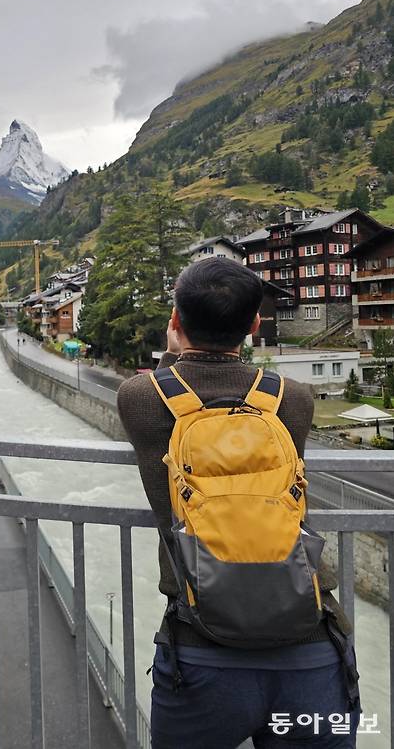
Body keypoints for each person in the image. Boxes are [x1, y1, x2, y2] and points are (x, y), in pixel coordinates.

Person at [117, 257, 360, 748]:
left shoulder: (139, 398)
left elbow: (165, 382)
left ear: (176, 321)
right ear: (253, 325)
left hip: (201, 647)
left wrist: (171, 354)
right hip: (308, 644)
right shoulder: (294, 397)